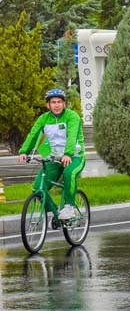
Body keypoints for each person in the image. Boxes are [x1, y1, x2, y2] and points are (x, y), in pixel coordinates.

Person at [18, 89, 86, 221]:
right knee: (38, 188)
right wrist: (24, 152)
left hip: (75, 157)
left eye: (59, 102)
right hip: (54, 158)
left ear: (64, 104)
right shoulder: (43, 119)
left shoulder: (72, 116)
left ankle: (69, 208)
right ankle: (57, 213)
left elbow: (72, 137)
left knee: (69, 174)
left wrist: (68, 154)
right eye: (53, 102)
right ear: (48, 105)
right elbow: (33, 135)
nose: (56, 105)